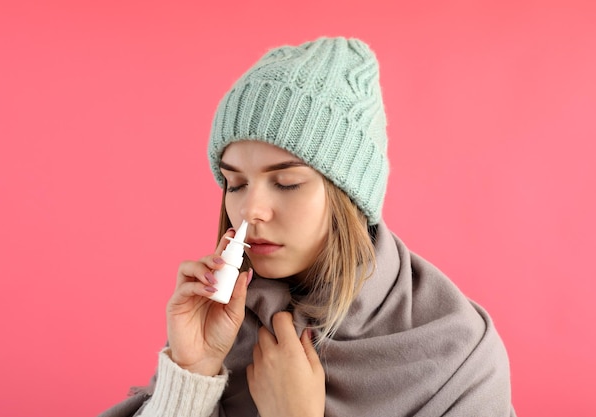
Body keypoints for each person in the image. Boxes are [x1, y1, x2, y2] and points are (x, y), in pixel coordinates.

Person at [100, 36, 515, 417]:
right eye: (236, 183)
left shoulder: (458, 354)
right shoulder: (224, 326)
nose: (250, 210)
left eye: (287, 183)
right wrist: (192, 374)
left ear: (349, 196)